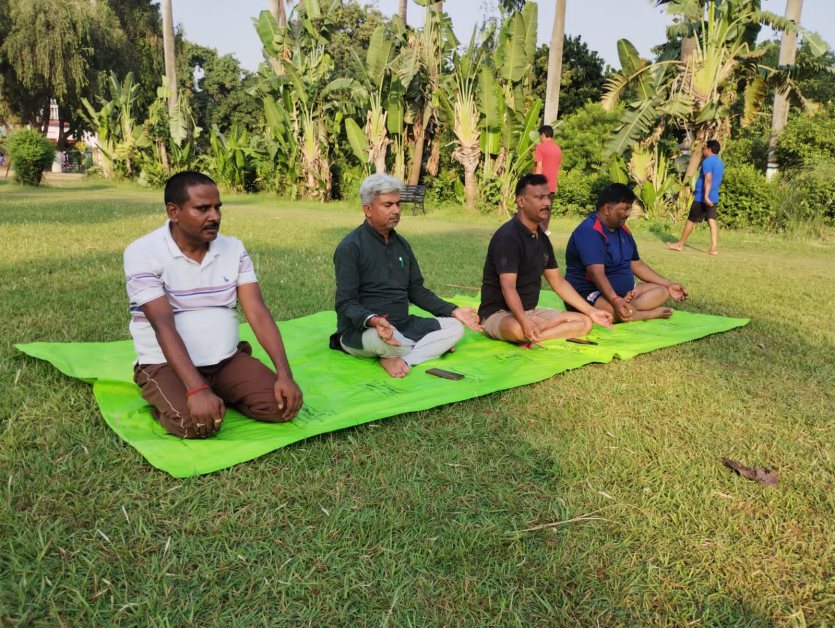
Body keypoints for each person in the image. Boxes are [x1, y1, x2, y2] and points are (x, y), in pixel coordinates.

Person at [123, 172, 303, 439]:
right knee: (194, 425)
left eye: (217, 207)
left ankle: (220, 392)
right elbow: (163, 324)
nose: (215, 216)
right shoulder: (143, 252)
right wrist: (196, 389)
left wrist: (285, 375)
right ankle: (172, 404)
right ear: (173, 212)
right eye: (202, 208)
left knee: (282, 408)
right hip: (164, 364)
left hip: (225, 360)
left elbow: (257, 312)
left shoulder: (233, 248)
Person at [330, 173, 483, 378]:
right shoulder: (351, 247)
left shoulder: (402, 245)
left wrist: (453, 310)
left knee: (456, 328)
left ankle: (402, 359)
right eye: (388, 205)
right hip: (365, 331)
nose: (396, 210)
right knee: (382, 340)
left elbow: (416, 290)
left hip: (403, 325)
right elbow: (345, 302)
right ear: (368, 210)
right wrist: (374, 321)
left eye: (398, 204)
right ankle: (424, 348)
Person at [479, 174, 614, 348]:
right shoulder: (508, 237)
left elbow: (558, 282)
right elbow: (508, 286)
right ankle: (530, 331)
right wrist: (523, 321)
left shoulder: (542, 238)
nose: (547, 203)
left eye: (548, 197)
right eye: (540, 198)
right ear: (521, 201)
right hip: (498, 314)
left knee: (586, 322)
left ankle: (535, 332)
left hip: (531, 312)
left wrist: (592, 311)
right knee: (518, 330)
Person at [564, 183, 689, 322]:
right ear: (607, 209)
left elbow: (637, 265)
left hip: (624, 293)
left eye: (629, 209)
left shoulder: (623, 230)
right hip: (589, 293)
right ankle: (643, 314)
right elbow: (596, 273)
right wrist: (615, 299)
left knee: (663, 291)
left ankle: (630, 307)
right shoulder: (590, 231)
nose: (628, 214)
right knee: (610, 313)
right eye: (625, 209)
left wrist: (669, 284)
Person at [667, 140, 725, 255]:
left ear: (709, 149)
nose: (703, 150)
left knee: (691, 220)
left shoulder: (707, 161)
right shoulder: (720, 162)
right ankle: (713, 248)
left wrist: (705, 196)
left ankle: (680, 244)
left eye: (704, 148)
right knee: (712, 220)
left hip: (703, 197)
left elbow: (708, 179)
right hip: (713, 196)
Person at [533, 124, 562, 235]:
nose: (539, 138)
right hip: (552, 184)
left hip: (541, 183)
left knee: (536, 206)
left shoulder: (540, 147)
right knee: (547, 207)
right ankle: (544, 229)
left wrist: (535, 182)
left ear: (543, 135)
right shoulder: (558, 149)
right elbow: (558, 166)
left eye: (540, 136)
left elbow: (539, 167)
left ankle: (537, 229)